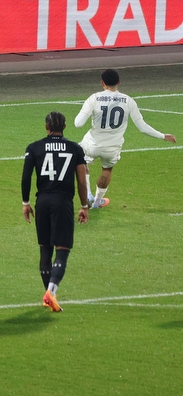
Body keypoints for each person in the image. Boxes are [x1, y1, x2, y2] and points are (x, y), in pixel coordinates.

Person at [74, 69, 176, 209]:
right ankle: (97, 202)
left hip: (92, 144)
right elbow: (142, 126)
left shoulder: (94, 98)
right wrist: (163, 136)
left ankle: (87, 195)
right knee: (107, 169)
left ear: (102, 83)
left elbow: (78, 124)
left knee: (81, 159)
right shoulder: (128, 101)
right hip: (113, 147)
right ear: (119, 82)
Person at [21, 111, 90, 313]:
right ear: (64, 127)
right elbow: (81, 181)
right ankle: (51, 292)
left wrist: (25, 202)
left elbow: (26, 177)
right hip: (63, 202)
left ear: (46, 126)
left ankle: (48, 295)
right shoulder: (75, 148)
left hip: (42, 201)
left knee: (45, 248)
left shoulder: (34, 148)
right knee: (62, 250)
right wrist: (84, 206)